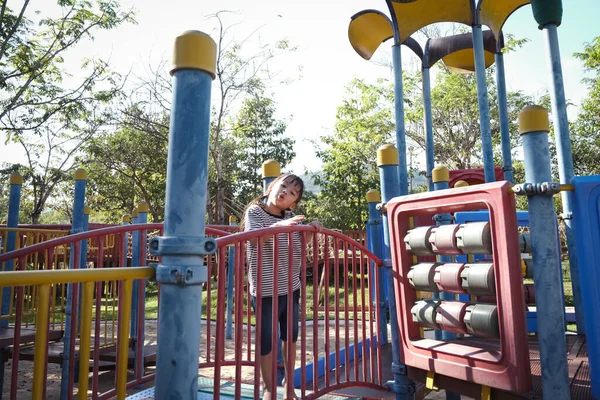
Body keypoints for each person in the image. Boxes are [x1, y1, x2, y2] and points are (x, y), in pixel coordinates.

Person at [241, 173, 322, 400]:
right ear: (272, 186)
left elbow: (295, 245)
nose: (285, 191)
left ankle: (288, 384)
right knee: (266, 338)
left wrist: (309, 231)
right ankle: (268, 387)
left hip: (290, 286)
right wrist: (281, 226)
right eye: (283, 185)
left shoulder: (291, 216)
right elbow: (254, 239)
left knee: (290, 336)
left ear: (293, 202)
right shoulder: (255, 212)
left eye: (292, 192)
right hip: (265, 289)